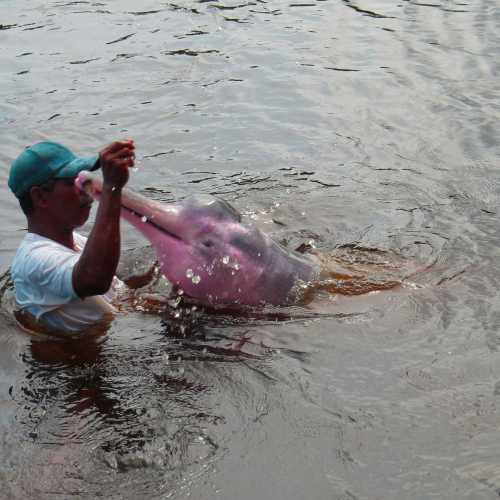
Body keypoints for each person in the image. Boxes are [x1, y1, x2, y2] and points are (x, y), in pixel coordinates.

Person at [8, 139, 136, 334]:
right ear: (40, 197)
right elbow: (95, 280)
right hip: (82, 359)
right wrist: (112, 187)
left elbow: (121, 293)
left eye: (84, 179)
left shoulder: (76, 241)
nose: (88, 191)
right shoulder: (33, 260)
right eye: (72, 182)